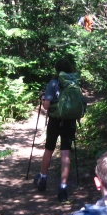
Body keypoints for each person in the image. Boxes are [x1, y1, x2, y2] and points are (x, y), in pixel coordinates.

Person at [33, 58, 79, 202]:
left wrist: (42, 97)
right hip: (70, 122)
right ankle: (63, 188)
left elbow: (46, 106)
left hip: (55, 121)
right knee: (66, 152)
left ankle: (43, 179)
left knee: (49, 149)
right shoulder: (75, 83)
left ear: (57, 69)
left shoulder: (53, 83)